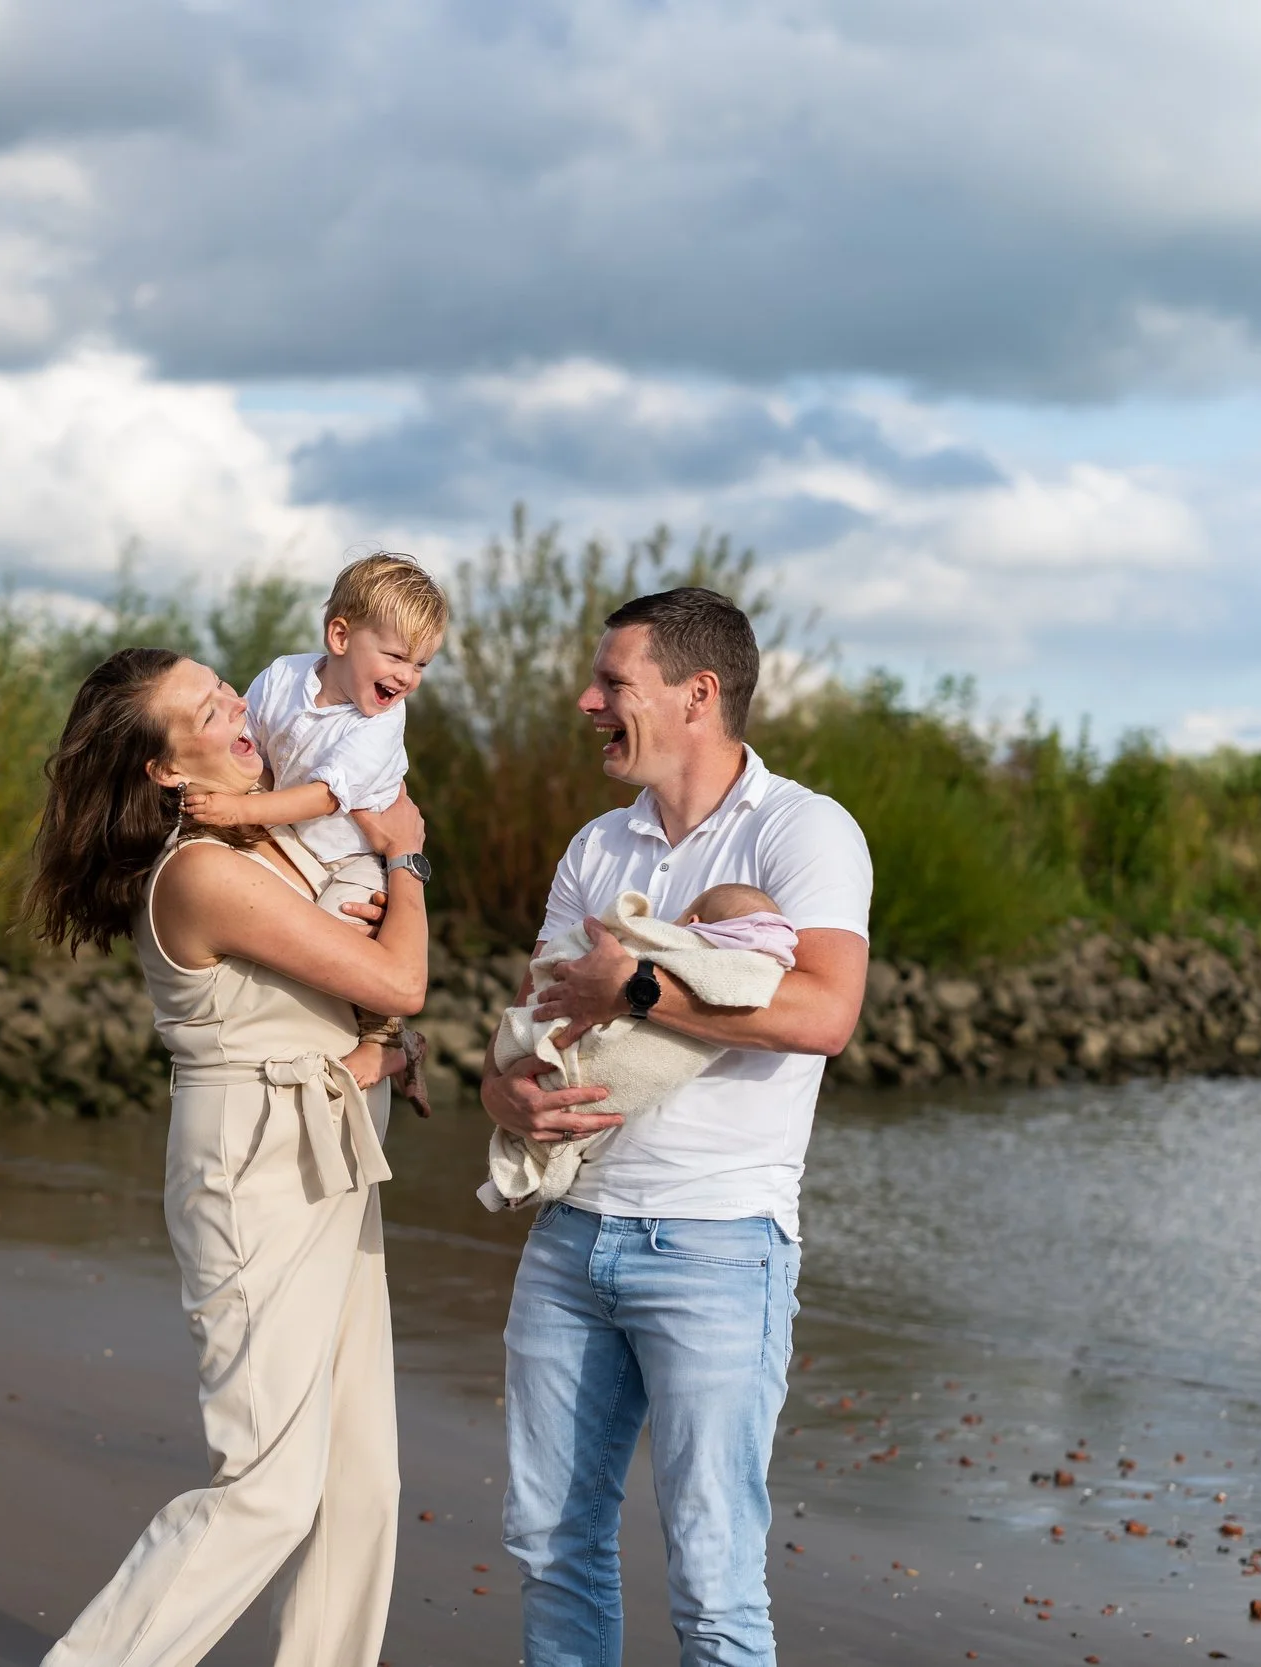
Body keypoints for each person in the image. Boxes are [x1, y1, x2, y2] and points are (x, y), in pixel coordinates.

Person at [481, 587, 872, 1667]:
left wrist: (641, 990)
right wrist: (501, 1091)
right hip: (567, 1236)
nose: (586, 699)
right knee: (551, 1544)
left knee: (711, 1580)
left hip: (716, 1243)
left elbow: (824, 1014)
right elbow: (526, 1025)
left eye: (612, 682)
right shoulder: (596, 845)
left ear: (696, 693)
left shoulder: (805, 829)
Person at [26, 645, 431, 1667]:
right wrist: (407, 858)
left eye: (224, 686)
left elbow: (344, 1003)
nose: (234, 703)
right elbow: (399, 979)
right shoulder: (203, 869)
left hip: (329, 1142)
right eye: (202, 708)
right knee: (267, 1485)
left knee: (358, 1478)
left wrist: (377, 1049)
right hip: (253, 1164)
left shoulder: (275, 840)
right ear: (166, 767)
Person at [186, 551, 449, 1118]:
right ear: (339, 635)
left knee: (337, 927)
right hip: (293, 836)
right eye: (398, 656)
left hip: (353, 851)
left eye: (422, 665)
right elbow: (249, 742)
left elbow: (328, 796)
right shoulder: (283, 675)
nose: (407, 677)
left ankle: (388, 1040)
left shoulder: (382, 722)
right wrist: (234, 796)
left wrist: (235, 812)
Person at [479, 883, 799, 1213]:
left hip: (713, 1215)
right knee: (558, 1109)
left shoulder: (799, 835)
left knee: (572, 1108)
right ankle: (521, 1176)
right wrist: (493, 1092)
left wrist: (628, 987)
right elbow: (538, 987)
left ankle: (519, 1177)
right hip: (569, 1214)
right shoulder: (590, 844)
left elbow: (826, 1022)